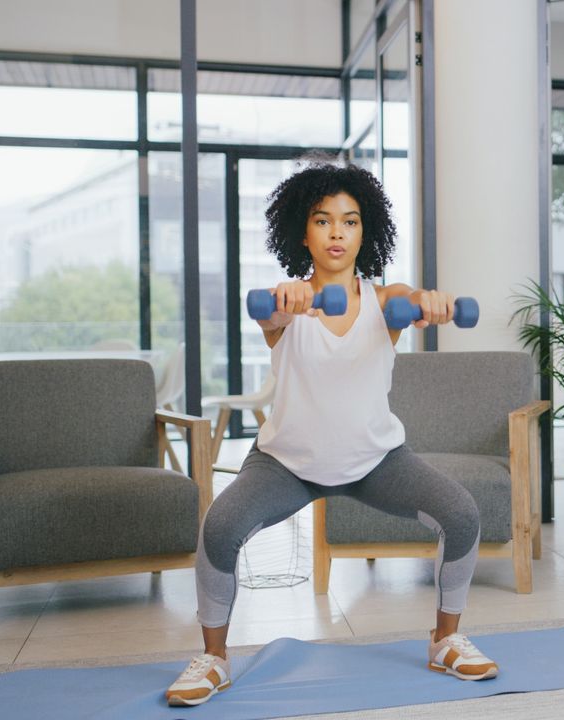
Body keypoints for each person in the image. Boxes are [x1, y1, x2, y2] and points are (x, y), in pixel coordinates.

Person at [165, 162, 495, 707]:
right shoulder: (287, 302)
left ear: (366, 233)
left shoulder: (385, 301)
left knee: (460, 515)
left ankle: (445, 639)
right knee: (219, 527)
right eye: (323, 220)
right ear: (303, 231)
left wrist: (429, 303)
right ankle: (214, 659)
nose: (337, 232)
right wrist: (288, 304)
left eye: (350, 221)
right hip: (286, 464)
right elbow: (271, 317)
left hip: (375, 460)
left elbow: (404, 299)